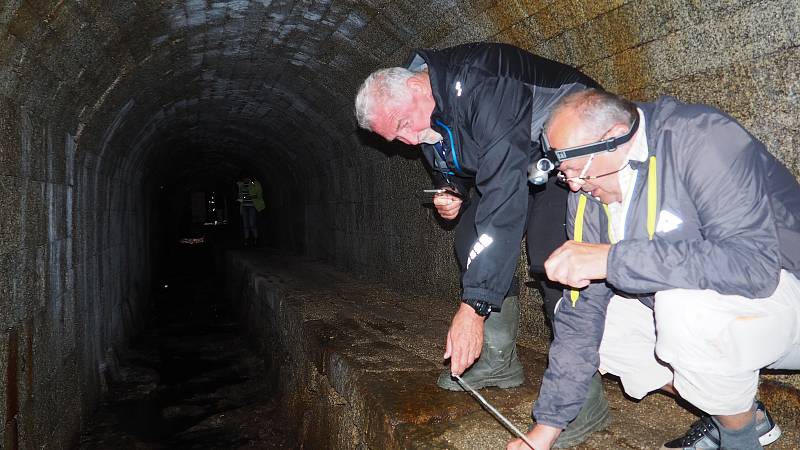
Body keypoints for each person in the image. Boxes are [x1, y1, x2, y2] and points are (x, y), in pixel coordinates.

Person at [509, 88, 800, 450]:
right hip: (730, 313)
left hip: (785, 294)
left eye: (575, 170)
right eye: (564, 174)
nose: (572, 184)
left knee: (682, 308)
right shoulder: (585, 195)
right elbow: (581, 313)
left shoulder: (702, 138)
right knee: (606, 327)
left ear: (613, 137)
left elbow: (753, 266)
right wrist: (545, 429)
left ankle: (738, 440)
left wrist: (611, 259)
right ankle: (741, 419)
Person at [355, 43, 610, 447]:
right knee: (472, 233)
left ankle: (583, 399)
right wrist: (451, 189)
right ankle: (498, 359)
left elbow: (504, 192)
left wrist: (473, 306)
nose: (406, 141)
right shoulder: (424, 109)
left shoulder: (483, 81)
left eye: (403, 126)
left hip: (575, 154)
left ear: (419, 90)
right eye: (394, 137)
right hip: (526, 161)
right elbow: (460, 158)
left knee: (553, 256)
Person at [236, 173, 265, 246]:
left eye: (247, 178)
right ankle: (247, 240)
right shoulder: (241, 185)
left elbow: (259, 194)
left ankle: (256, 239)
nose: (245, 179)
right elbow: (240, 195)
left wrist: (251, 197)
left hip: (252, 206)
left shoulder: (255, 184)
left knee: (252, 224)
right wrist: (240, 197)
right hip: (244, 206)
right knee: (245, 225)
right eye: (244, 178)